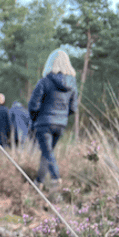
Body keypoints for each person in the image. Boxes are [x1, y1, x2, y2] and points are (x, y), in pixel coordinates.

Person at [28, 49, 79, 193]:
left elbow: (33, 105)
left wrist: (34, 119)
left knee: (47, 152)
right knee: (47, 152)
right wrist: (62, 117)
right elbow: (74, 108)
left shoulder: (44, 81)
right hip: (61, 124)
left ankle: (56, 178)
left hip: (44, 123)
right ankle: (38, 182)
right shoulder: (72, 84)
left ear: (50, 63)